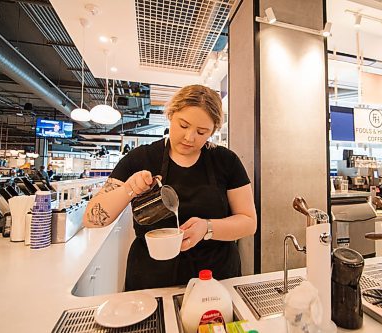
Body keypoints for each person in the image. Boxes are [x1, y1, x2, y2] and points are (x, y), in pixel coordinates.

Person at [83, 84, 257, 291]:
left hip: (215, 280)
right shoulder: (141, 158)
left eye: (202, 132)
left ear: (213, 131)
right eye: (183, 125)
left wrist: (208, 228)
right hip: (151, 279)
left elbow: (248, 222)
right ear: (171, 114)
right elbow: (91, 219)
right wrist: (129, 188)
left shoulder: (226, 161)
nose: (190, 138)